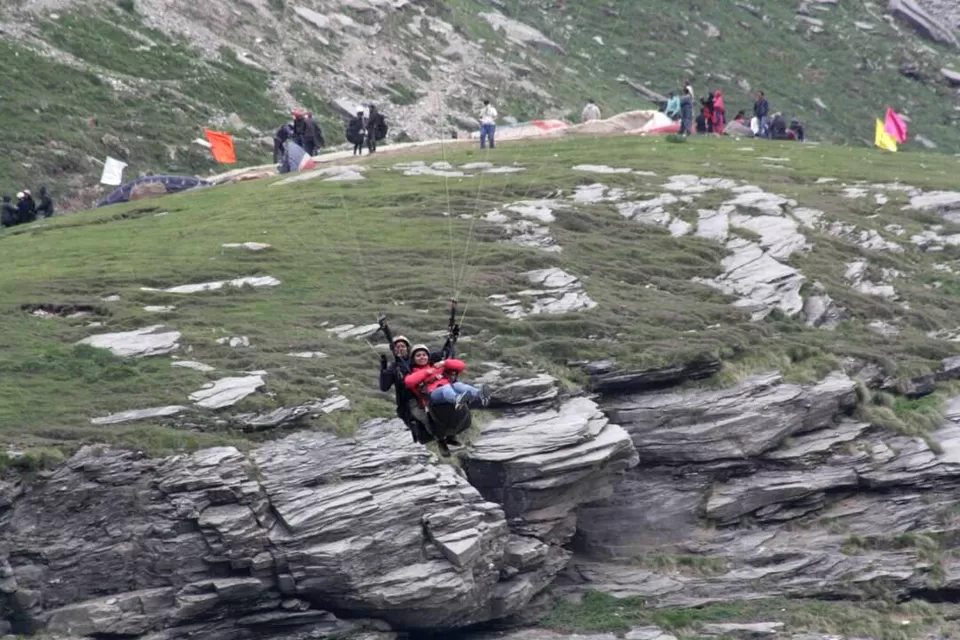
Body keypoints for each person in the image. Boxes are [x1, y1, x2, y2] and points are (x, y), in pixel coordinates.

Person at [404, 345, 487, 410]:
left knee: (458, 385)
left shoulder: (436, 367)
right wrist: (425, 372)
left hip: (449, 389)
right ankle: (457, 399)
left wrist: (444, 363)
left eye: (424, 355)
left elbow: (461, 366)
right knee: (445, 388)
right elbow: (409, 382)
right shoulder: (413, 373)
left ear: (428, 357)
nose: (422, 357)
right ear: (414, 359)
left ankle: (479, 394)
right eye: (418, 356)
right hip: (431, 396)